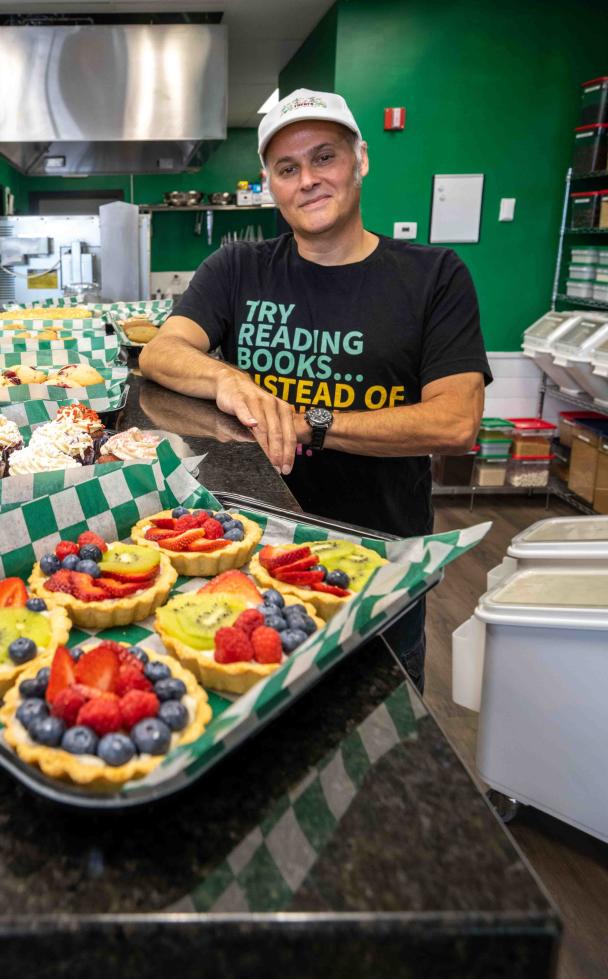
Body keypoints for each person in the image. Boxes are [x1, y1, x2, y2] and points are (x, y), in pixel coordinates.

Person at [139, 88, 492, 691]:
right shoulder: (237, 268)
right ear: (270, 184)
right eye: (287, 168)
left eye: (324, 157)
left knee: (384, 729)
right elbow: (159, 352)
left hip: (375, 559)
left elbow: (456, 422)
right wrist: (228, 377)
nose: (307, 179)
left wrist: (311, 422)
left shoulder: (435, 275)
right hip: (254, 551)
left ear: (361, 159)